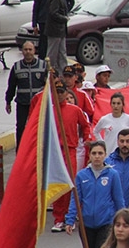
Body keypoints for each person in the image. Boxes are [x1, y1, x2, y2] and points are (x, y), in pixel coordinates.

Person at [65, 141, 125, 248]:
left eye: (100, 153)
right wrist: (70, 220)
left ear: (105, 155)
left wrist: (123, 220)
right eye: (94, 153)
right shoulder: (81, 175)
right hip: (86, 224)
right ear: (89, 155)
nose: (97, 156)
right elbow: (76, 199)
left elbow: (118, 199)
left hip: (106, 223)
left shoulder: (113, 175)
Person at [51, 80, 91, 232]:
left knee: (70, 184)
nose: (60, 95)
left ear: (66, 93)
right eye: (57, 92)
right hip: (55, 152)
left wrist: (87, 138)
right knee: (57, 185)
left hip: (70, 150)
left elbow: (86, 125)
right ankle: (58, 218)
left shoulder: (75, 110)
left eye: (62, 92)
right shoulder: (50, 111)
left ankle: (70, 216)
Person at [5, 41, 47, 151]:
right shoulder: (17, 67)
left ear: (34, 51)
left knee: (39, 128)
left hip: (38, 104)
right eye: (25, 50)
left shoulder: (43, 65)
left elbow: (48, 85)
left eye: (30, 49)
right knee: (21, 128)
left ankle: (39, 149)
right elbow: (11, 86)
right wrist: (8, 101)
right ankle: (20, 151)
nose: (28, 52)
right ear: (22, 51)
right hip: (22, 103)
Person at [105, 129, 129, 208]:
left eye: (128, 141)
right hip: (112, 208)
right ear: (118, 142)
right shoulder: (108, 162)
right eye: (122, 141)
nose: (124, 144)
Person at [45, 0, 69, 74]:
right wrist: (64, 18)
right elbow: (53, 13)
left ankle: (63, 73)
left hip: (60, 31)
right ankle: (49, 73)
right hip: (55, 30)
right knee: (52, 54)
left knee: (61, 53)